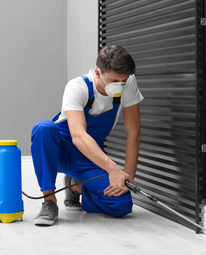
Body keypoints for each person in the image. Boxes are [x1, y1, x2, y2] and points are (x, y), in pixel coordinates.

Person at [31, 45, 143, 226]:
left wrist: (126, 178)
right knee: (43, 128)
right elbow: (78, 136)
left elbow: (134, 132)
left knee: (121, 205)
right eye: (115, 81)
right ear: (98, 73)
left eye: (124, 81)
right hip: (60, 150)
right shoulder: (77, 87)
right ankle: (49, 202)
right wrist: (113, 169)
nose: (121, 87)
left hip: (89, 157)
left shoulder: (127, 83)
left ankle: (78, 188)